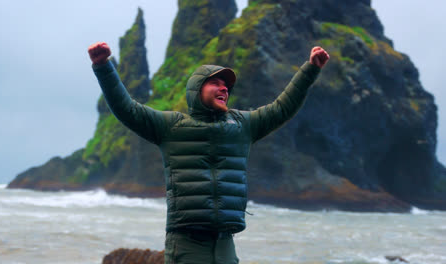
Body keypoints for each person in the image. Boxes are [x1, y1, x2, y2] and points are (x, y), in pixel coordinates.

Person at [88, 41, 329, 264]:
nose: (224, 88)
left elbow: (281, 108)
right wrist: (103, 67)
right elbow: (127, 109)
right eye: (216, 83)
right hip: (186, 242)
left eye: (227, 86)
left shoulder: (242, 126)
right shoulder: (171, 127)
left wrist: (310, 70)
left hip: (225, 243)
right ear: (196, 89)